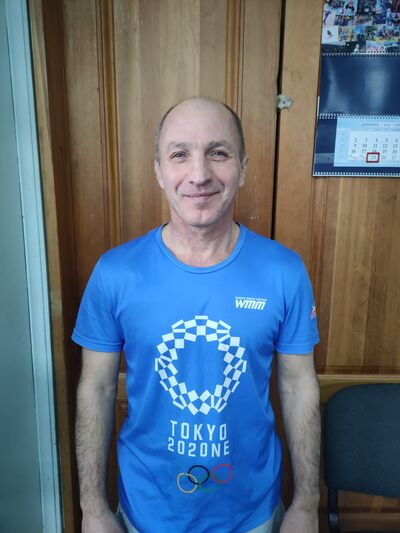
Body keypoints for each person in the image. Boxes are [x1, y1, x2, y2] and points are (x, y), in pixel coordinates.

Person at [73, 97, 321, 533]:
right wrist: (92, 508)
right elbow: (96, 388)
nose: (199, 173)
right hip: (146, 515)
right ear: (158, 171)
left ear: (243, 168)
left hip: (254, 515)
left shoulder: (285, 271)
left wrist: (307, 504)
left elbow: (298, 385)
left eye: (218, 153)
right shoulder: (114, 273)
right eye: (179, 154)